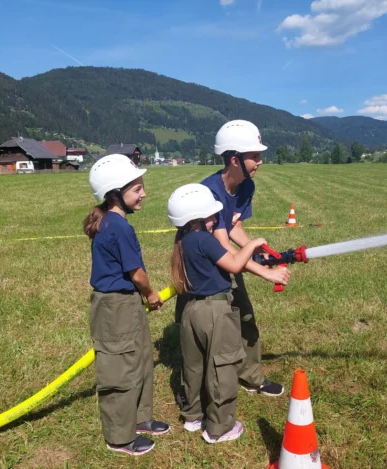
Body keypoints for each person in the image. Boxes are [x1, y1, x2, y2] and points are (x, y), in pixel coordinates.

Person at [175, 120, 291, 398]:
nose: (260, 162)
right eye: (255, 156)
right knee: (199, 325)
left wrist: (257, 250)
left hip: (224, 254)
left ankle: (251, 377)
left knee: (244, 314)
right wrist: (265, 272)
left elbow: (233, 225)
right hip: (201, 264)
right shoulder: (209, 192)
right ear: (235, 159)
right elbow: (223, 247)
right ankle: (194, 388)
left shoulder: (246, 186)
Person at [83, 154, 169, 456]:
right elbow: (137, 274)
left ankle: (141, 419)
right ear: (115, 194)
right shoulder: (118, 227)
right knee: (120, 369)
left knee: (141, 358)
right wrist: (151, 294)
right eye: (136, 189)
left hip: (126, 303)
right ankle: (119, 437)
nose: (143, 194)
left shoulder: (114, 222)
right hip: (115, 307)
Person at [168, 183, 268, 443]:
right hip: (216, 311)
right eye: (212, 215)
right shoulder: (205, 240)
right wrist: (252, 244)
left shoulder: (183, 241)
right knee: (222, 366)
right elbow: (234, 264)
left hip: (191, 310)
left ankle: (192, 416)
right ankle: (220, 428)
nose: (215, 219)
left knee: (193, 366)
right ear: (196, 219)